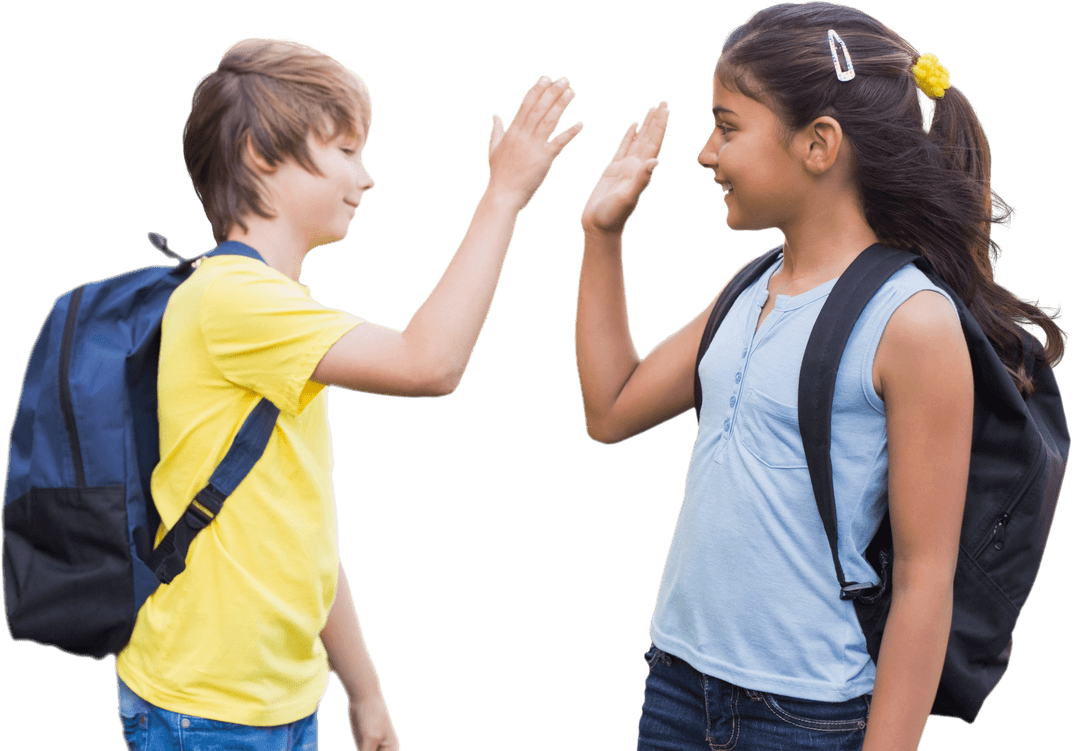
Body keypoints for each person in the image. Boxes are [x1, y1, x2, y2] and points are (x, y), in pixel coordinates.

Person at [573, 3, 1065, 750]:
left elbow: (926, 585)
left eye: (729, 127)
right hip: (677, 682)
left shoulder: (912, 322)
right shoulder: (749, 287)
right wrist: (601, 238)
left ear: (818, 144)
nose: (707, 154)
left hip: (804, 714)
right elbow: (610, 408)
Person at [113, 36, 582, 751]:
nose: (367, 180)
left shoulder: (273, 310)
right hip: (207, 713)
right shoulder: (236, 304)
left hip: (274, 704)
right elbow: (432, 363)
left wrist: (363, 691)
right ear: (261, 157)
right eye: (345, 152)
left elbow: (306, 529)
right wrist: (503, 195)